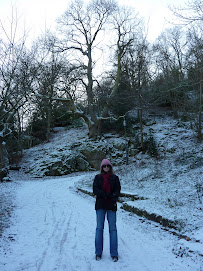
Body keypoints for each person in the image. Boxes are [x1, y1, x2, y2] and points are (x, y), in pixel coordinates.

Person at [93, 158, 121, 262]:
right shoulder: (97, 177)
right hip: (100, 205)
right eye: (104, 166)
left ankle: (114, 253)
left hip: (111, 205)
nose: (106, 168)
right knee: (99, 228)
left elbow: (118, 190)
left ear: (110, 167)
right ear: (101, 167)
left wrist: (113, 196)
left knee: (113, 229)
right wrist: (104, 195)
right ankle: (98, 252)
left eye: (108, 166)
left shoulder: (115, 178)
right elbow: (95, 190)